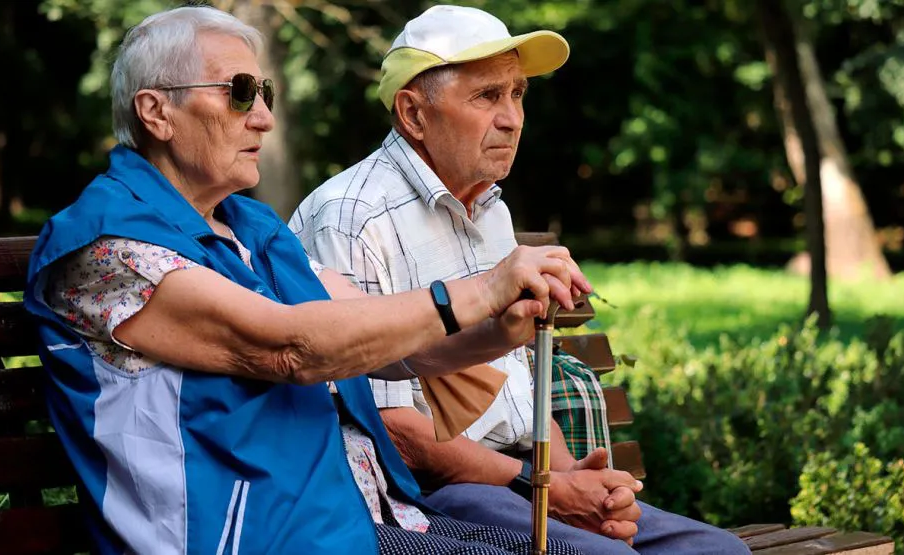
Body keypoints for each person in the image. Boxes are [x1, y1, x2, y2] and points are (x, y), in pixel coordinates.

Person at [22, 6, 598, 555]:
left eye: (264, 94)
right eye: (240, 93)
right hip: (240, 537)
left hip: (346, 519)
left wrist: (503, 328)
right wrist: (482, 290)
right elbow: (287, 347)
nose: (265, 117)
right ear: (156, 113)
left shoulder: (250, 229)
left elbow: (389, 346)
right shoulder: (107, 248)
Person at [290, 5, 752, 554]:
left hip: (525, 480)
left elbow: (520, 385)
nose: (512, 118)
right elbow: (394, 434)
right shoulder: (352, 217)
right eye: (487, 97)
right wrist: (549, 490)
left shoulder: (490, 209)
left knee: (722, 551)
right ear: (413, 115)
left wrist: (579, 483)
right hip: (435, 497)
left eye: (517, 95)